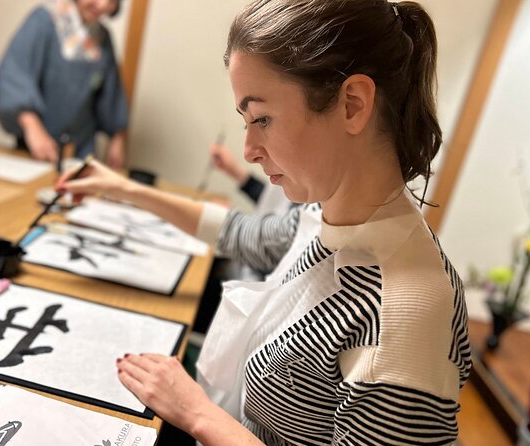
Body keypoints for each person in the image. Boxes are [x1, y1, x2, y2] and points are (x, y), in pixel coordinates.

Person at [57, 0, 472, 444]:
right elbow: (237, 233)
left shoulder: (405, 315)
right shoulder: (327, 218)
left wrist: (197, 413)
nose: (249, 150)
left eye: (263, 119)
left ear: (353, 104)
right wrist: (125, 189)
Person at [0, 0, 128, 167]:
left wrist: (117, 138)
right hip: (37, 145)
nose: (102, 5)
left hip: (81, 149)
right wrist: (32, 127)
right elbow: (16, 73)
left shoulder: (102, 36)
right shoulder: (44, 20)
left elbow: (111, 94)